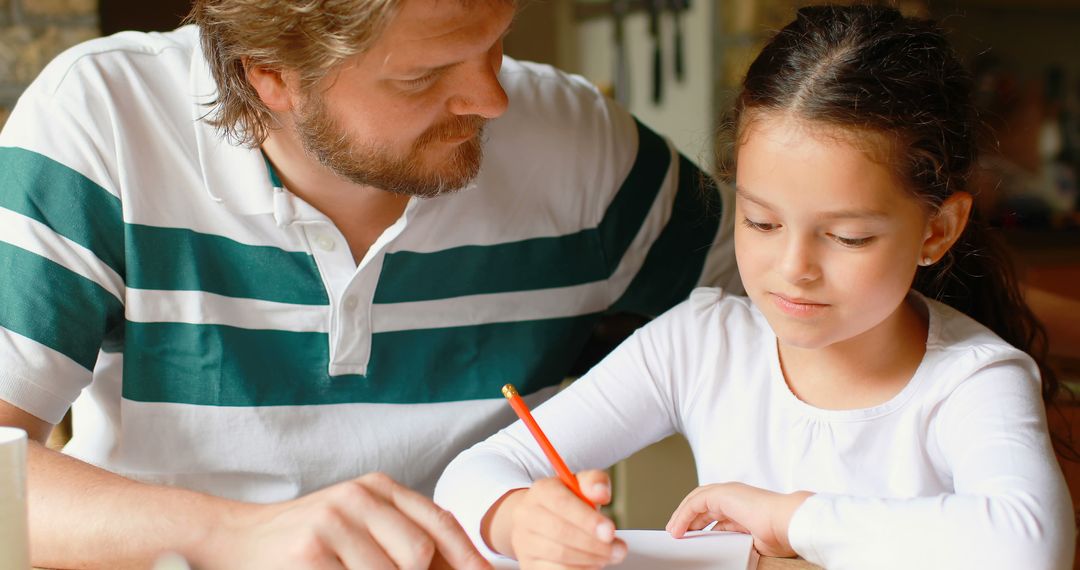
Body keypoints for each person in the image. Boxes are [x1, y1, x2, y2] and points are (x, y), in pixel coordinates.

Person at [0, 0, 740, 568]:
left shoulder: (583, 147)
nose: (492, 99)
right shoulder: (100, 120)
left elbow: (798, 312)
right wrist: (235, 536)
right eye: (422, 76)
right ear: (271, 75)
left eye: (495, 45)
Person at [434, 5, 1076, 570]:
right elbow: (470, 475)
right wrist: (520, 519)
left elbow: (1028, 548)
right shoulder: (699, 343)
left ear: (938, 230)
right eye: (760, 221)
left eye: (848, 237)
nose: (793, 266)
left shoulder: (973, 380)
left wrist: (790, 518)